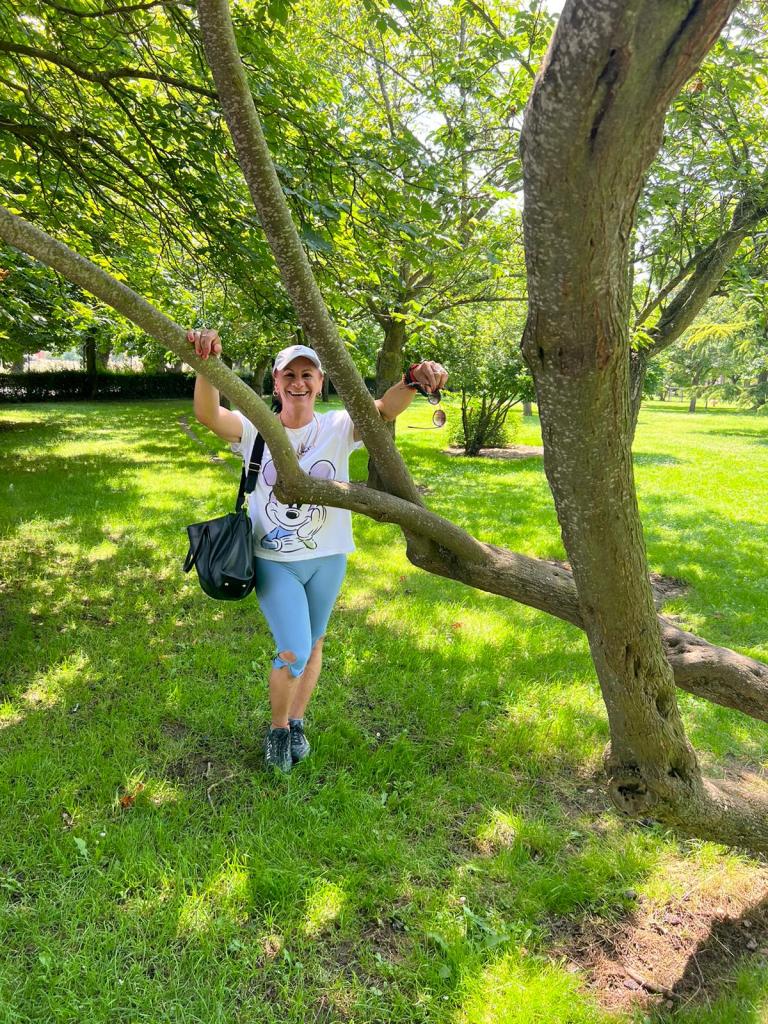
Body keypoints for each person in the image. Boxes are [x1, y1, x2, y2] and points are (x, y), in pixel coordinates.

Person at [187, 329, 448, 773]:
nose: (299, 382)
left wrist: (410, 381)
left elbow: (384, 409)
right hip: (275, 562)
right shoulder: (254, 427)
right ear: (275, 382)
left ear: (320, 382)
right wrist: (205, 363)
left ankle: (297, 720)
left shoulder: (337, 426)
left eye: (307, 374)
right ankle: (277, 732)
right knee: (294, 649)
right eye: (289, 373)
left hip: (328, 557)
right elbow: (208, 414)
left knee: (315, 641)